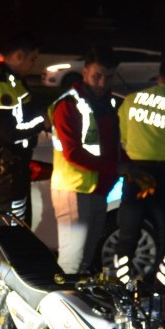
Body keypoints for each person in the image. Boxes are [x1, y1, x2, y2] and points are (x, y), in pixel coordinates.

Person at [114, 58, 165, 286]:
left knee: (127, 233)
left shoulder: (131, 100)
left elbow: (124, 139)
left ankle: (123, 286)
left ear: (159, 77)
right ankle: (162, 288)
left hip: (134, 174)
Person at [47, 45, 122, 274]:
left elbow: (110, 147)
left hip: (96, 190)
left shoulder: (106, 104)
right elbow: (73, 153)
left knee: (84, 263)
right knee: (71, 264)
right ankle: (58, 306)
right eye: (97, 76)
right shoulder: (68, 105)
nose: (102, 83)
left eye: (108, 77)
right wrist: (119, 167)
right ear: (85, 72)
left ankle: (74, 304)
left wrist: (127, 166)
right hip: (73, 190)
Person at [0, 32, 44, 222]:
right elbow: (10, 133)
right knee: (13, 227)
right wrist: (42, 123)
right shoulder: (3, 86)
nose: (34, 64)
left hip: (15, 164)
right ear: (18, 56)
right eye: (32, 59)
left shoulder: (12, 80)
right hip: (9, 165)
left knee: (19, 223)